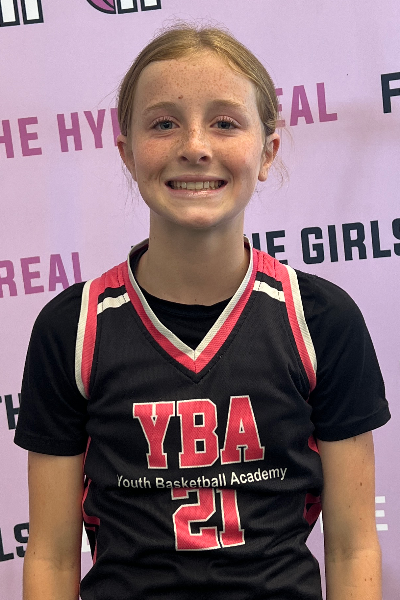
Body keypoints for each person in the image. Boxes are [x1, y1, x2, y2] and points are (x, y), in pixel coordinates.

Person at [15, 24, 390, 600]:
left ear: (267, 152)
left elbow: (352, 546)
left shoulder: (320, 320)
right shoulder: (74, 328)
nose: (194, 145)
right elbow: (50, 554)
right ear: (128, 153)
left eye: (225, 123)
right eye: (164, 124)